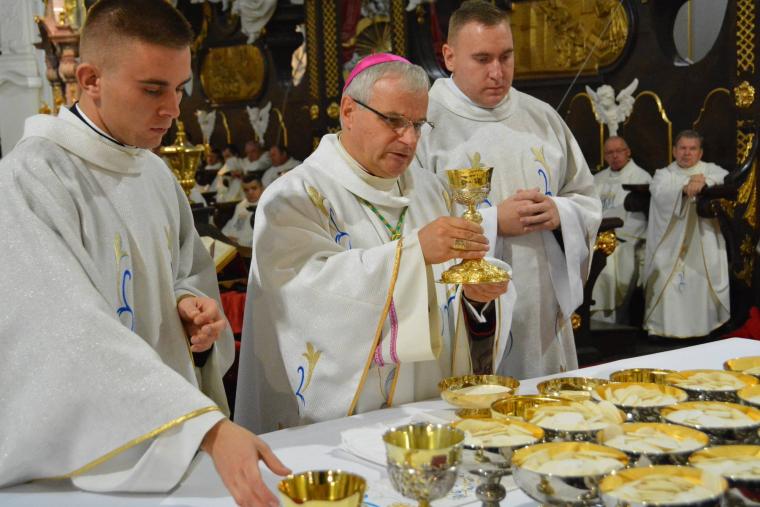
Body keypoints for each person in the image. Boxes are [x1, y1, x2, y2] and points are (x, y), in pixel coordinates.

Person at [0, 1, 289, 505]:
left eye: (179, 88)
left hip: (170, 443)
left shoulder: (153, 173)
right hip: (77, 465)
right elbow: (64, 328)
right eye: (153, 89)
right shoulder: (32, 178)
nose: (173, 109)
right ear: (90, 79)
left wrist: (190, 311)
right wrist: (205, 427)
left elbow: (186, 273)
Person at [234, 54, 515, 433]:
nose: (410, 139)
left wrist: (476, 300)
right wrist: (413, 254)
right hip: (341, 430)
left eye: (418, 124)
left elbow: (455, 304)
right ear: (349, 111)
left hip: (431, 414)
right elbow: (303, 299)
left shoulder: (432, 191)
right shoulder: (295, 196)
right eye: (394, 121)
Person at [414, 0, 601, 378]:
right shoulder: (423, 123)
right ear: (449, 57)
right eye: (482, 59)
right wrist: (494, 221)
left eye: (506, 56)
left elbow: (585, 197)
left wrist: (560, 212)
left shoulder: (542, 116)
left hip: (541, 305)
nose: (497, 72)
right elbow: (412, 226)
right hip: (466, 310)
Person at [644, 130, 730, 338]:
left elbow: (725, 178)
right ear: (674, 151)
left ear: (700, 153)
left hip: (702, 242)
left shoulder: (710, 170)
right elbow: (660, 192)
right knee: (665, 278)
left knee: (701, 278)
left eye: (692, 149)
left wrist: (704, 182)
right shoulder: (663, 174)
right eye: (682, 148)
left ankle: (704, 328)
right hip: (670, 245)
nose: (687, 153)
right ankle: (664, 330)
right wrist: (684, 187)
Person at [591, 136, 652, 324]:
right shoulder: (597, 179)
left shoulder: (641, 177)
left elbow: (639, 219)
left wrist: (615, 235)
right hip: (596, 237)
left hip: (625, 239)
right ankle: (589, 316)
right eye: (610, 153)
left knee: (606, 263)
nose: (615, 156)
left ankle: (605, 318)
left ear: (628, 152)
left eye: (619, 151)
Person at [222, 173, 263, 246]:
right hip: (233, 245)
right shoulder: (240, 206)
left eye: (254, 188)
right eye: (246, 190)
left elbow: (262, 235)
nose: (250, 192)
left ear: (262, 188)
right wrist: (226, 237)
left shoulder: (266, 207)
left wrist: (240, 241)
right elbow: (231, 225)